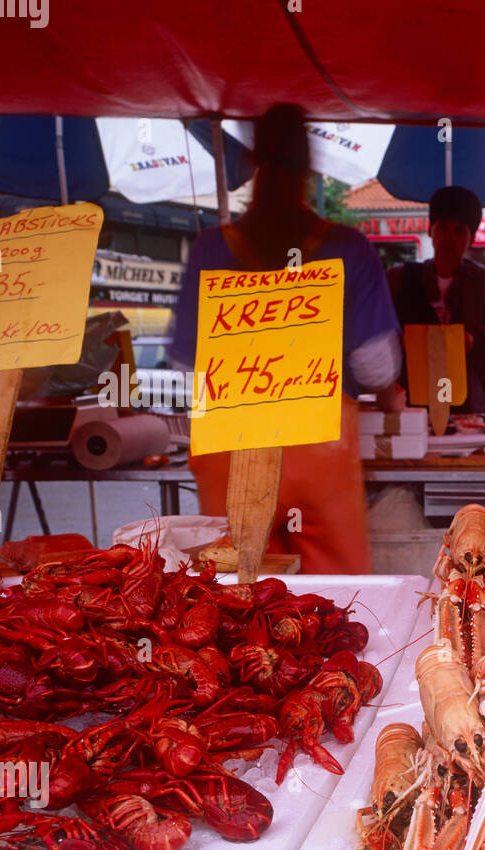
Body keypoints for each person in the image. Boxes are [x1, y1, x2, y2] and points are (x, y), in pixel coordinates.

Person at [170, 104, 403, 574]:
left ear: (251, 161)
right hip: (320, 453)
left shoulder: (211, 249)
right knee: (336, 607)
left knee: (233, 596)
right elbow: (377, 367)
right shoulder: (344, 247)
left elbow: (185, 372)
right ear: (309, 167)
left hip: (228, 450)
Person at [388, 186, 485, 419]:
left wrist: (476, 342)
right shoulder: (399, 280)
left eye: (459, 231)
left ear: (471, 239)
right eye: (442, 228)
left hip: (472, 414)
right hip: (412, 411)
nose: (449, 239)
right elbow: (375, 335)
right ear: (431, 231)